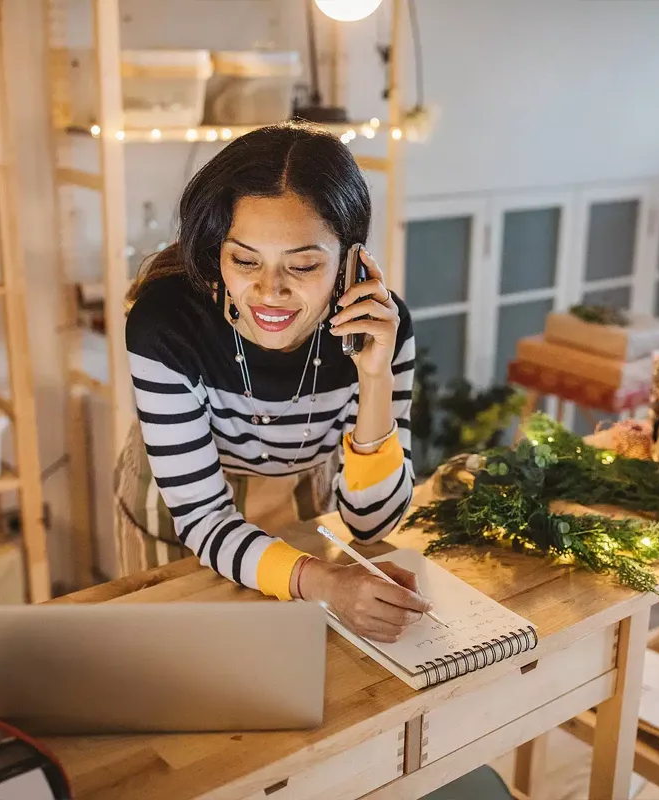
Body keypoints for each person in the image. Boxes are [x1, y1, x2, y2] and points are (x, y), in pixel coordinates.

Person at [114, 122, 427, 643]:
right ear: (218, 249)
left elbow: (373, 525)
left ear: (351, 263)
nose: (269, 292)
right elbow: (205, 521)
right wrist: (326, 582)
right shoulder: (164, 326)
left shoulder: (378, 329)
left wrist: (374, 379)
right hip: (176, 522)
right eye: (244, 260)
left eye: (303, 265)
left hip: (301, 504)